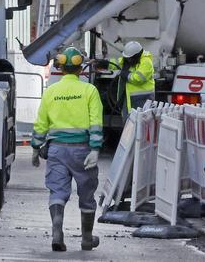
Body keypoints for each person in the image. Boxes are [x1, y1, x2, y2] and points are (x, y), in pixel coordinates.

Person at [32, 47, 103, 252]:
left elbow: (41, 124)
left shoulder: (51, 91)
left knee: (57, 191)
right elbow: (95, 123)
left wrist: (36, 148)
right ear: (81, 69)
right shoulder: (89, 90)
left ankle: (57, 230)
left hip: (56, 150)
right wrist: (95, 149)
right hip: (82, 150)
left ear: (61, 68)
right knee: (87, 195)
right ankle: (87, 238)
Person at [115, 41, 155, 113]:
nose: (128, 60)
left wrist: (126, 74)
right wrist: (105, 64)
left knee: (140, 122)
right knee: (129, 122)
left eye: (130, 58)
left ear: (136, 55)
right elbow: (118, 63)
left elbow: (138, 78)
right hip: (130, 98)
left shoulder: (146, 62)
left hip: (143, 100)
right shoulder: (131, 60)